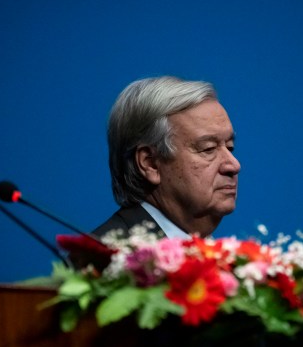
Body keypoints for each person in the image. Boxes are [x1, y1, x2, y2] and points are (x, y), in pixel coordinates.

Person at [93, 76, 241, 241]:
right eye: (209, 148)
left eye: (230, 147)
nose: (234, 165)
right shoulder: (104, 259)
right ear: (150, 163)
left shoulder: (229, 259)